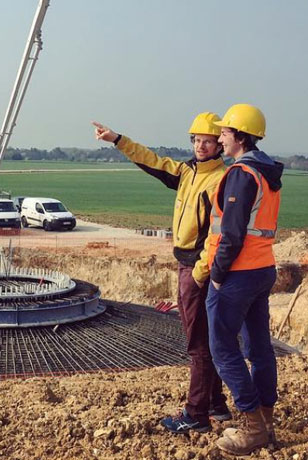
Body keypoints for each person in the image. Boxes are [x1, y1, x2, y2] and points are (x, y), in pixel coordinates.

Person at [93, 114, 230, 434]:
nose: (200, 145)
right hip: (189, 264)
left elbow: (219, 233)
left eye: (207, 141)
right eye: (196, 140)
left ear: (219, 145)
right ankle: (215, 404)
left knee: (197, 344)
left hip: (198, 268)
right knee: (206, 338)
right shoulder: (187, 172)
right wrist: (117, 140)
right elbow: (151, 160)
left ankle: (196, 414)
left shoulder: (220, 179)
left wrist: (199, 271)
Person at [203, 104, 282, 456]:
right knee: (259, 348)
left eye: (224, 132)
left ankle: (252, 428)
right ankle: (266, 419)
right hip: (263, 269)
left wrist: (217, 274)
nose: (220, 136)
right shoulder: (267, 171)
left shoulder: (241, 174)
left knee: (222, 347)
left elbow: (232, 233)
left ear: (239, 136)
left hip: (238, 272)